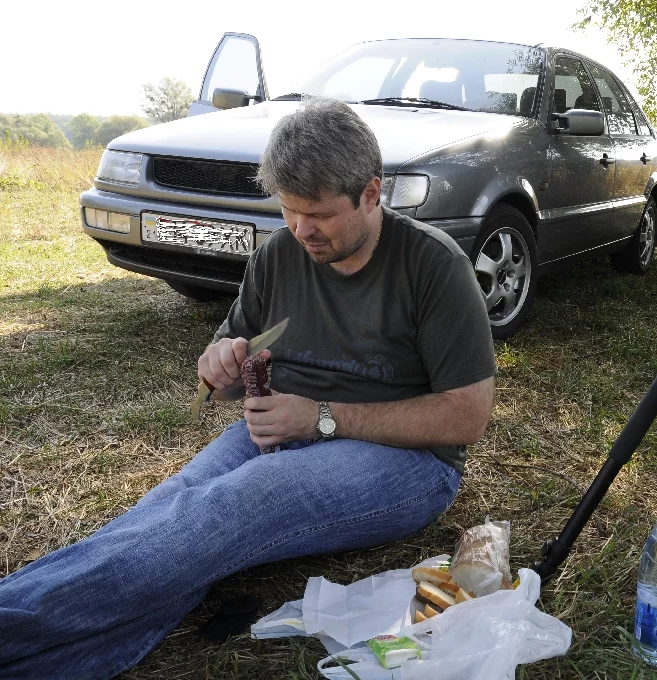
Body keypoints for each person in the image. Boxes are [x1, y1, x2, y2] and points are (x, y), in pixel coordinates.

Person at [0, 97, 496, 679]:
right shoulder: (279, 254)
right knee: (167, 512)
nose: (301, 230)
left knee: (226, 511)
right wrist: (222, 371)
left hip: (407, 464)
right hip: (283, 430)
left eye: (318, 214)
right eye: (288, 210)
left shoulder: (433, 266)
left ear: (371, 193)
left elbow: (467, 417)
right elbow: (230, 369)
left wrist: (322, 417)